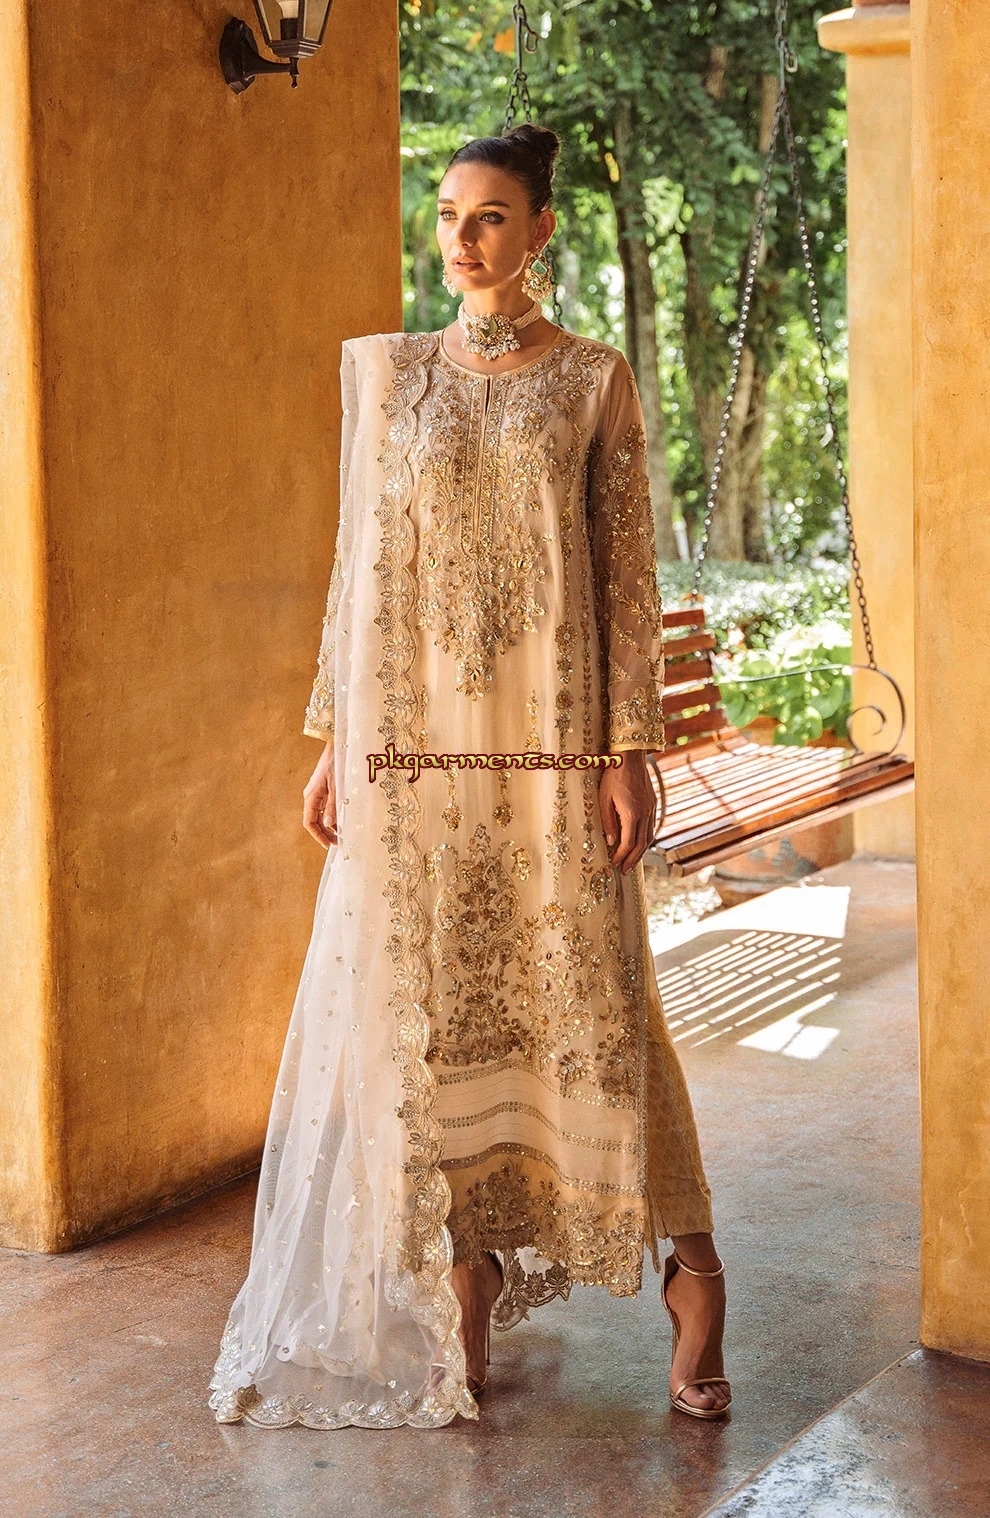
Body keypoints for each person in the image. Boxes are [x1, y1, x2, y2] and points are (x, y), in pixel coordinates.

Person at [208, 123, 730, 1431]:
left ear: (540, 229)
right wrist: (334, 740)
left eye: (490, 215)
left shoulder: (593, 381)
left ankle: (693, 1274)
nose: (462, 238)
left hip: (554, 749)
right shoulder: (390, 378)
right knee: (441, 1016)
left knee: (596, 1001)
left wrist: (627, 751)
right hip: (422, 759)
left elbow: (625, 582)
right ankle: (467, 1284)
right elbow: (359, 574)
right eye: (447, 213)